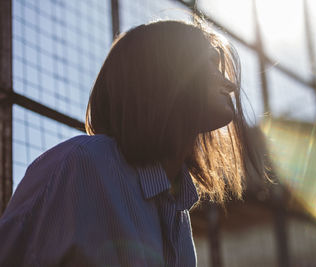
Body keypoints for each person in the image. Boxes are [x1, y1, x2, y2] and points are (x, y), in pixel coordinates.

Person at [0, 20, 263, 266]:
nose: (229, 84)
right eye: (210, 63)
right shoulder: (82, 164)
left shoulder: (177, 209)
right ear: (166, 71)